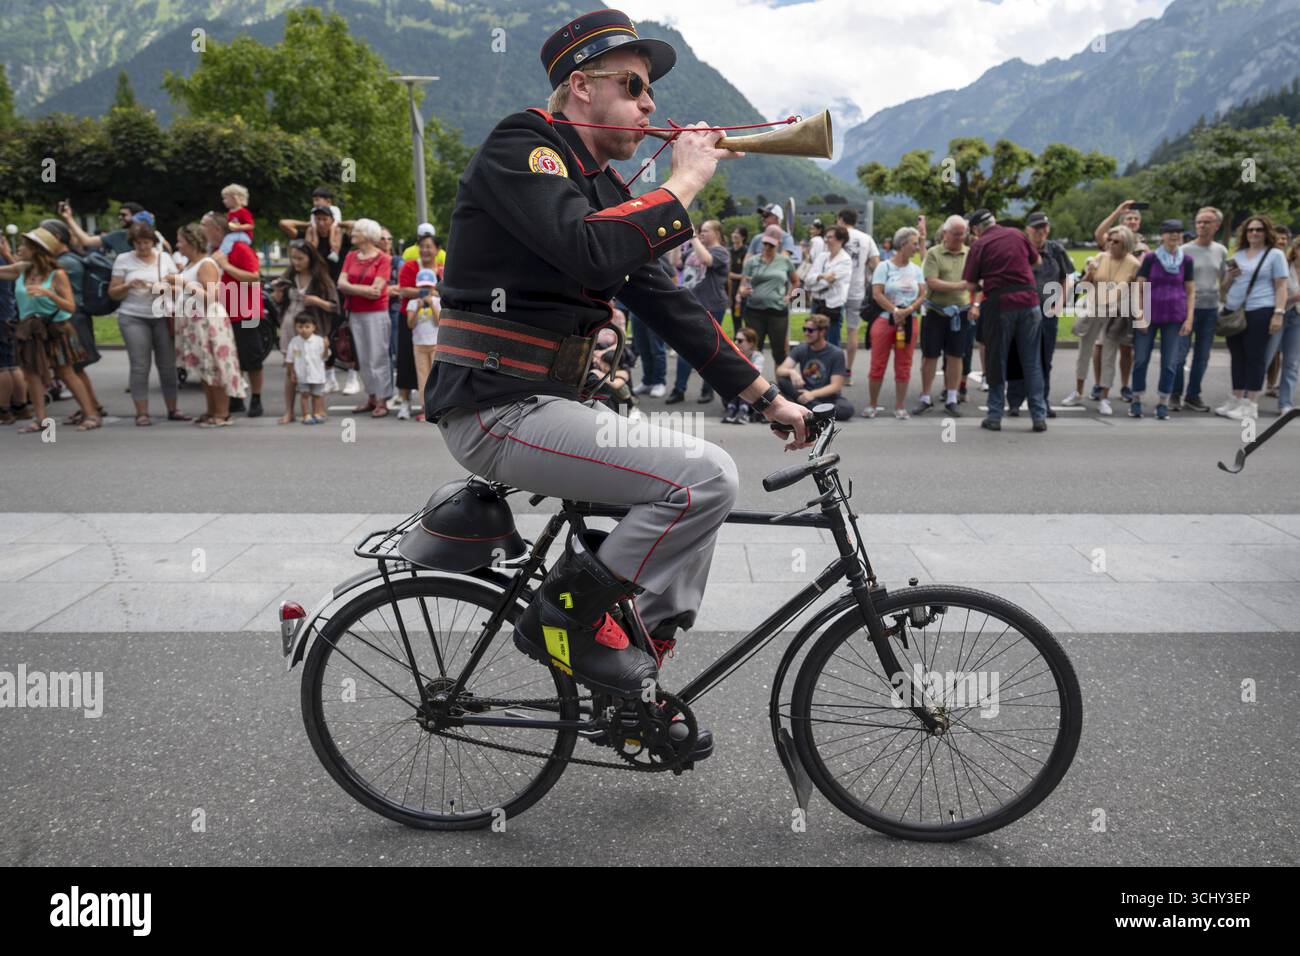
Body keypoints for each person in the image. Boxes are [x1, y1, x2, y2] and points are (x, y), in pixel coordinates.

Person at [425, 9, 807, 738]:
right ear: (579, 87)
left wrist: (767, 398)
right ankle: (561, 619)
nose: (651, 104)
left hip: (543, 404)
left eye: (650, 90)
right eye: (633, 85)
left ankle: (637, 679)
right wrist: (685, 182)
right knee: (705, 478)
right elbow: (592, 255)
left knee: (697, 509)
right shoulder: (524, 147)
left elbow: (668, 304)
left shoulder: (599, 188)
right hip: (494, 406)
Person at [0, 227, 100, 431]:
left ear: (37, 250)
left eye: (25, 246)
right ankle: (41, 419)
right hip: (30, 330)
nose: (19, 248)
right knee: (31, 374)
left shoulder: (57, 274)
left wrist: (49, 294)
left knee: (66, 373)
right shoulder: (22, 269)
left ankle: (91, 415)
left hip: (56, 329)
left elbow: (70, 306)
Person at [961, 209, 1046, 431]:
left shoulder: (979, 245)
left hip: (1000, 305)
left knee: (996, 361)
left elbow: (970, 284)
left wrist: (987, 281)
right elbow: (1037, 261)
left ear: (976, 229)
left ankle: (995, 415)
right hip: (1030, 302)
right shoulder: (1017, 234)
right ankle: (1039, 416)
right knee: (1032, 361)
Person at [108, 220, 187, 425]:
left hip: (161, 315)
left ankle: (173, 408)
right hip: (133, 315)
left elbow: (179, 288)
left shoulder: (165, 259)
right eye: (138, 243)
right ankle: (142, 412)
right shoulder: (123, 260)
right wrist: (128, 285)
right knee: (140, 365)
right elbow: (113, 292)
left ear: (153, 242)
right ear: (132, 243)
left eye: (146, 243)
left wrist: (161, 288)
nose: (142, 247)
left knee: (167, 365)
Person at [167, 222, 246, 427]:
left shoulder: (206, 264)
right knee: (205, 368)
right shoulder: (190, 265)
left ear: (193, 242)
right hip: (194, 321)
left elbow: (211, 297)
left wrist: (183, 283)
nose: (178, 245)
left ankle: (222, 412)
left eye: (181, 241)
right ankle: (211, 410)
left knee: (216, 368)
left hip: (208, 321)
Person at [1214, 215, 1290, 421]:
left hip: (1260, 309)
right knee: (1237, 356)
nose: (1254, 233)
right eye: (1250, 230)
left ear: (1267, 233)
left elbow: (1281, 286)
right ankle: (1236, 399)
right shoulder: (1238, 254)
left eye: (1259, 230)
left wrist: (1279, 313)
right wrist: (1230, 276)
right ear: (1244, 233)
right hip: (1234, 310)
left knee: (1255, 357)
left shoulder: (1274, 255)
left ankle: (1251, 404)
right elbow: (1224, 288)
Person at [1007, 211, 1072, 418]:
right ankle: (1015, 401)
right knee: (1017, 356)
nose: (1040, 231)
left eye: (1043, 227)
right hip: (1022, 311)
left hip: (1047, 311)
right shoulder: (1019, 249)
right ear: (1028, 230)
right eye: (1036, 227)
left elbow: (1066, 278)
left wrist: (1060, 303)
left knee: (1045, 358)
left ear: (1048, 229)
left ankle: (1042, 400)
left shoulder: (1056, 250)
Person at [41, 218, 106, 424]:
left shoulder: (65, 262)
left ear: (57, 238)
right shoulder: (68, 259)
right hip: (76, 317)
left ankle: (91, 409)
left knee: (73, 368)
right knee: (76, 368)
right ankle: (92, 405)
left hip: (72, 319)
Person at [1131, 220, 1196, 419]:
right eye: (1170, 232)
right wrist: (1139, 314)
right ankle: (1136, 399)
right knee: (1141, 359)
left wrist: (1189, 318)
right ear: (1162, 235)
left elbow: (1191, 291)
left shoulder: (1186, 261)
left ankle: (1162, 402)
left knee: (1170, 363)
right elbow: (1138, 288)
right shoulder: (1151, 259)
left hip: (1175, 316)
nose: (1174, 236)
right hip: (1149, 314)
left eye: (1177, 232)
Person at [202, 212, 264, 417]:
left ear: (217, 230)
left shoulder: (239, 248)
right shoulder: (213, 251)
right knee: (231, 356)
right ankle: (236, 398)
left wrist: (226, 265)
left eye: (205, 226)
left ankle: (256, 398)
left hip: (246, 312)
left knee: (251, 355)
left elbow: (254, 277)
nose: (203, 231)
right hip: (224, 313)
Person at [270, 239, 338, 422]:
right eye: (293, 258)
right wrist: (277, 293)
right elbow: (277, 300)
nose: (296, 262)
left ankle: (318, 408)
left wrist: (317, 301)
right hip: (290, 327)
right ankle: (289, 411)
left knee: (316, 367)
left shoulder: (321, 279)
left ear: (310, 258)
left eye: (300, 258)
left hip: (313, 329)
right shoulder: (289, 277)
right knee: (291, 368)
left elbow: (334, 307)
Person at [1078, 225, 1141, 417]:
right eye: (1109, 241)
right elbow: (1084, 285)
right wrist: (1089, 273)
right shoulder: (1100, 258)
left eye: (1116, 242)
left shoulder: (1134, 264)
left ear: (1127, 244)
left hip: (1116, 314)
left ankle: (1104, 398)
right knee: (1084, 352)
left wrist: (1138, 316)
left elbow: (1138, 291)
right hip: (1094, 310)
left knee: (1109, 356)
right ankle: (1077, 391)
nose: (1110, 244)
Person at [864, 226, 926, 419]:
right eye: (914, 244)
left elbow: (923, 294)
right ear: (903, 244)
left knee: (904, 364)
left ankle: (900, 406)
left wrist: (908, 310)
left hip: (909, 322)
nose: (917, 248)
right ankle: (872, 404)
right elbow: (877, 293)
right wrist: (895, 310)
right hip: (885, 319)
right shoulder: (884, 267)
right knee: (878, 364)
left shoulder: (916, 269)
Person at [666, 219, 729, 405]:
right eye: (700, 230)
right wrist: (678, 241)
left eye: (706, 230)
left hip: (712, 305)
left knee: (710, 350)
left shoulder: (720, 252)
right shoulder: (694, 249)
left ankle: (707, 390)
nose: (701, 233)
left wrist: (693, 237)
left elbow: (707, 261)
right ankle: (679, 390)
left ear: (717, 233)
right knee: (684, 349)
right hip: (690, 304)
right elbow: (674, 262)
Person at [915, 215, 970, 416]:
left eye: (963, 234)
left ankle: (952, 397)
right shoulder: (934, 253)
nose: (960, 238)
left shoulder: (970, 254)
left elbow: (977, 282)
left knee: (956, 355)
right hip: (936, 312)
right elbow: (932, 282)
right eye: (956, 234)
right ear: (945, 233)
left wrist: (975, 303)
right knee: (930, 356)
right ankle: (925, 396)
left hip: (960, 313)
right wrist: (962, 285)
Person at [1174, 207, 1228, 411]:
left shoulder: (1220, 251)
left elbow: (1222, 280)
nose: (1202, 226)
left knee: (1202, 356)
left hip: (1210, 308)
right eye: (1199, 222)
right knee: (1179, 354)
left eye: (1207, 222)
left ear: (1216, 226)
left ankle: (1193, 395)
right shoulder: (1184, 250)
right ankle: (1175, 393)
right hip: (1186, 309)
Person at [338, 218, 393, 417]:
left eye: (357, 231)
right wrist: (363, 290)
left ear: (368, 235)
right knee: (362, 357)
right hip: (355, 312)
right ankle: (371, 395)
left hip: (376, 313)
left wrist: (351, 289)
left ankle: (382, 399)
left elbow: (377, 291)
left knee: (378, 356)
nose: (352, 233)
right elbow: (340, 283)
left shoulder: (383, 259)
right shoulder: (351, 256)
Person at [1093, 200, 1147, 400]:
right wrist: (1117, 211)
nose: (1132, 221)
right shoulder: (1113, 239)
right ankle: (1098, 385)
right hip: (1106, 300)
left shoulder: (1143, 246)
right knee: (1100, 345)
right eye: (1129, 218)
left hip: (1129, 300)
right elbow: (1099, 233)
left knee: (1126, 347)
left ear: (1139, 223)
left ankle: (1125, 385)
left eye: (1135, 218)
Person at [740, 225, 800, 368]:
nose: (767, 247)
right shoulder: (752, 261)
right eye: (765, 243)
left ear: (778, 244)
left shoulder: (785, 261)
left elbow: (796, 281)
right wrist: (743, 291)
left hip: (778, 312)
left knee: (779, 353)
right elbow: (743, 285)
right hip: (754, 311)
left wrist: (791, 296)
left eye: (771, 245)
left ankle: (781, 387)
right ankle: (753, 387)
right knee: (752, 350)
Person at [775, 313, 854, 420]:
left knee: (846, 409)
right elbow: (780, 370)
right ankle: (817, 411)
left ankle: (807, 409)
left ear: (822, 332)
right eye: (805, 329)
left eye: (810, 330)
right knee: (781, 382)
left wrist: (811, 394)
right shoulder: (801, 349)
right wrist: (791, 372)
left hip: (827, 398)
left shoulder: (836, 353)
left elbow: (836, 386)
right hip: (803, 394)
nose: (806, 333)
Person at [836, 207, 881, 371]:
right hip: (856, 289)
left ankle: (833, 369)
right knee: (852, 331)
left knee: (832, 329)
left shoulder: (835, 235)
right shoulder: (866, 238)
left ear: (841, 219)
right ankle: (848, 370)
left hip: (835, 289)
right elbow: (876, 264)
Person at [802, 225, 852, 353]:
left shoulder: (845, 260)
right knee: (813, 339)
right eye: (826, 237)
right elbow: (807, 280)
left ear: (840, 240)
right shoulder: (822, 256)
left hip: (832, 305)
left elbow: (828, 282)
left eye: (830, 237)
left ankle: (833, 370)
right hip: (817, 303)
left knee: (832, 342)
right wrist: (820, 276)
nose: (826, 240)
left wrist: (817, 280)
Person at [1266, 237, 1300, 416]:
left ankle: (1285, 403)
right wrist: (1295, 298)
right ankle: (1249, 397)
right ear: (1295, 250)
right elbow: (1276, 293)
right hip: (1280, 314)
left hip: (1298, 319)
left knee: (1292, 363)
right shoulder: (1285, 267)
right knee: (1267, 356)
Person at [0, 232, 31, 425]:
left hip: (1, 317)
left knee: (2, 366)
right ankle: (21, 406)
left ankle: (3, 410)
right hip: (9, 315)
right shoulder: (6, 259)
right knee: (12, 364)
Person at [407, 268, 440, 420]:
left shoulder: (438, 302)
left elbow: (439, 321)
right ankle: (424, 407)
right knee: (423, 377)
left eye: (428, 287)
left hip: (435, 344)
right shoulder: (413, 303)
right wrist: (419, 307)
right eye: (422, 288)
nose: (424, 290)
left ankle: (437, 406)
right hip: (419, 345)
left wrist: (431, 304)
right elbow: (410, 324)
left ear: (434, 287)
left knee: (436, 377)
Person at [287, 313, 329, 424]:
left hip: (317, 374)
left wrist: (326, 347)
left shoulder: (319, 341)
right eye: (300, 327)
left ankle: (316, 413)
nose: (303, 330)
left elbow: (325, 357)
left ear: (313, 327)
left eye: (307, 327)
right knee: (304, 395)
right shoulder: (294, 342)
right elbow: (290, 359)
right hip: (302, 374)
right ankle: (306, 415)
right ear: (295, 327)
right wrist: (292, 372)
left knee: (317, 395)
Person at [721, 326, 765, 423]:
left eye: (740, 340)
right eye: (735, 339)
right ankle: (732, 409)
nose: (736, 342)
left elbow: (754, 374)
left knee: (746, 381)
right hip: (732, 393)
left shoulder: (758, 356)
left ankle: (742, 411)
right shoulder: (733, 354)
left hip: (751, 396)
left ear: (751, 343)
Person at [220, 184, 255, 253]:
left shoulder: (243, 212)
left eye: (226, 198)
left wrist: (239, 227)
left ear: (235, 198)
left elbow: (251, 225)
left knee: (229, 238)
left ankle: (223, 253)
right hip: (235, 234)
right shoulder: (230, 212)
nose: (224, 201)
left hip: (245, 235)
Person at [727, 225, 749, 323]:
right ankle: (737, 336)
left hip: (743, 287)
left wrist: (732, 275)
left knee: (745, 315)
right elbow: (726, 271)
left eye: (737, 233)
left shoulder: (746, 251)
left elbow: (747, 272)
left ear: (743, 237)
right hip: (731, 286)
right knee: (735, 316)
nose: (734, 235)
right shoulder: (729, 251)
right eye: (733, 233)